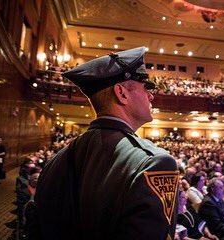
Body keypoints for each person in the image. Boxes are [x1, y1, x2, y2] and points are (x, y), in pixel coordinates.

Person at [35, 47, 179, 240]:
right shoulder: (155, 163)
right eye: (146, 87)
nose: (151, 95)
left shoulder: (55, 161)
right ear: (122, 93)